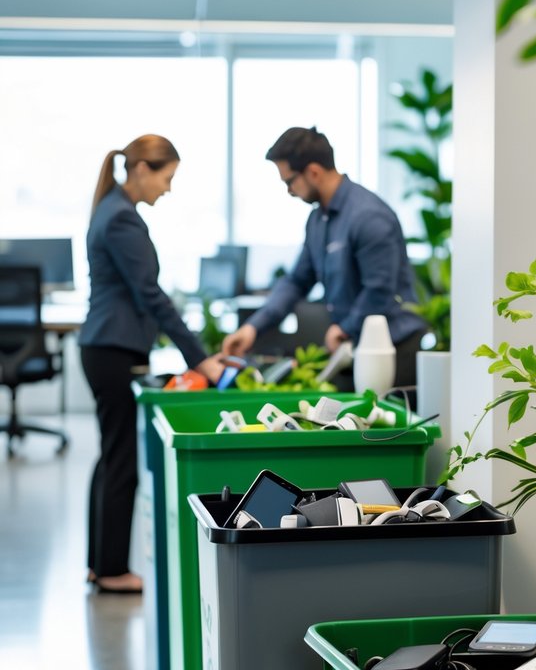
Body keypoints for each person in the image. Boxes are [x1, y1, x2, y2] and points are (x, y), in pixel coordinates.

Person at [80, 135, 224, 594]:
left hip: (105, 347)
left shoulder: (111, 208)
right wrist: (201, 359)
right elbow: (152, 297)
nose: (168, 188)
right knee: (121, 457)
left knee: (111, 453)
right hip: (114, 349)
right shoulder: (122, 218)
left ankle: (98, 563)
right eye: (167, 177)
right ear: (142, 168)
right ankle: (112, 571)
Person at [222, 126, 425, 384]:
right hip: (353, 349)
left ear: (314, 172)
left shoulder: (368, 216)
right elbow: (297, 281)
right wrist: (253, 327)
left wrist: (346, 327)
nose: (289, 191)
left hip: (394, 350)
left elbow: (379, 289)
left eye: (289, 182)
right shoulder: (318, 220)